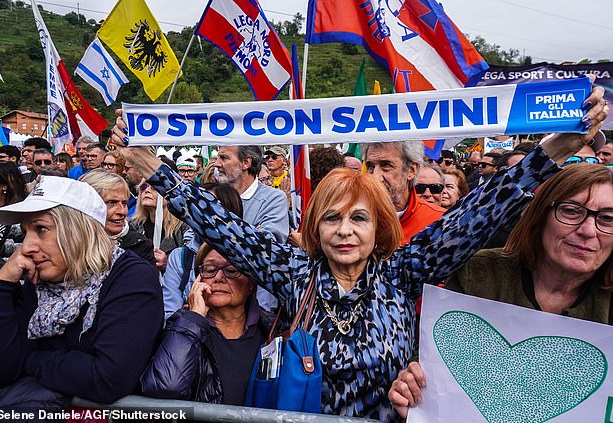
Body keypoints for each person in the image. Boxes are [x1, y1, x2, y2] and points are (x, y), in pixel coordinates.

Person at [115, 89, 608, 419]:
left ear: (379, 228)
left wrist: (551, 152)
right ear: (314, 227)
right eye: (332, 218)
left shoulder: (403, 272)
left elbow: (475, 216)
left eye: (359, 218)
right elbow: (220, 224)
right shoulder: (293, 273)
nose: (345, 232)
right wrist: (153, 169)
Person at [388, 163, 613, 418]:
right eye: (571, 212)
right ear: (540, 217)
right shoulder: (481, 273)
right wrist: (414, 390)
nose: (588, 230)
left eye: (608, 218)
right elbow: (436, 369)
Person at [0, 176, 163, 404]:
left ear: (79, 230)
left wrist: (33, 360)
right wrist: (3, 284)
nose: (26, 247)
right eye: (26, 232)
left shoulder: (131, 278)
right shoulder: (38, 281)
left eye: (41, 229)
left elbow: (106, 378)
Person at [141, 243, 277, 405]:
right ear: (199, 278)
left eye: (232, 270)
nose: (218, 278)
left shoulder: (271, 330)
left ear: (251, 284)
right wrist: (195, 316)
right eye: (210, 270)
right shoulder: (183, 326)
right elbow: (166, 386)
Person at [161, 182, 244, 319]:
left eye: (230, 271)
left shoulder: (249, 257)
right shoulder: (181, 257)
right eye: (197, 209)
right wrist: (194, 316)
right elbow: (169, 315)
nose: (202, 216)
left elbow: (261, 308)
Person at [364, 141, 444, 245]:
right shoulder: (349, 216)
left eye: (386, 166)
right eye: (370, 167)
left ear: (411, 170)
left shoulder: (439, 220)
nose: (375, 176)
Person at [79, 169, 156, 267]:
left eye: (124, 203)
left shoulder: (140, 247)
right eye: (111, 202)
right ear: (86, 204)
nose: (122, 211)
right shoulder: (64, 244)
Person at [130, 181, 188, 273]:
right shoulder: (133, 226)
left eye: (154, 187)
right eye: (144, 186)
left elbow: (191, 263)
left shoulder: (183, 227)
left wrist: (168, 263)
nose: (147, 190)